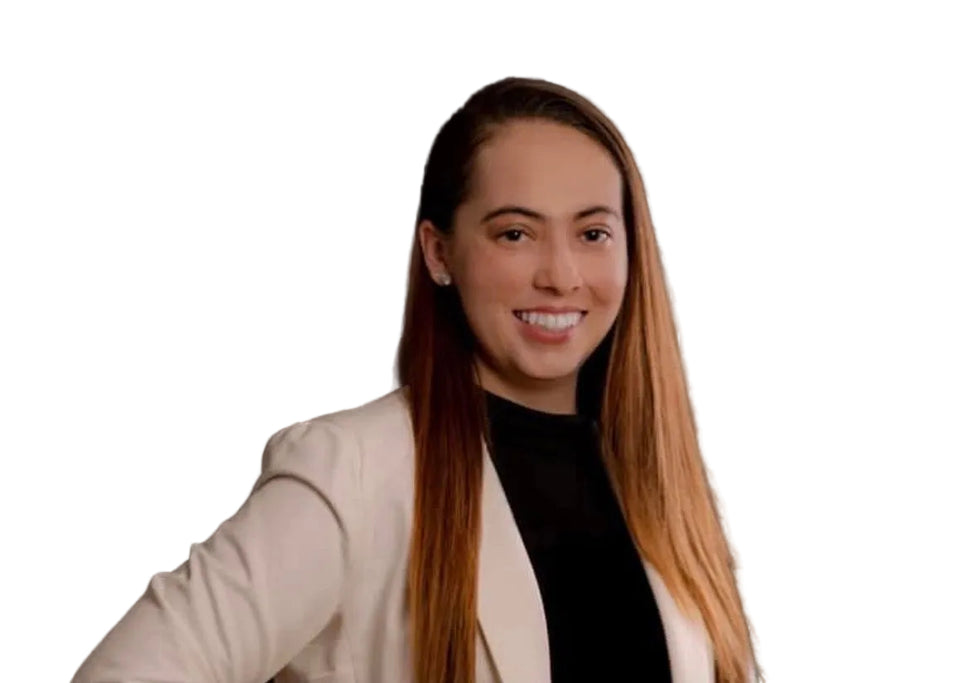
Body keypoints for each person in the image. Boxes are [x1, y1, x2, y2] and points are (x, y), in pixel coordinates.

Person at [72, 76, 761, 683]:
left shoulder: (661, 483)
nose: (561, 274)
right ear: (440, 252)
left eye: (593, 233)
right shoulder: (354, 473)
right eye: (515, 233)